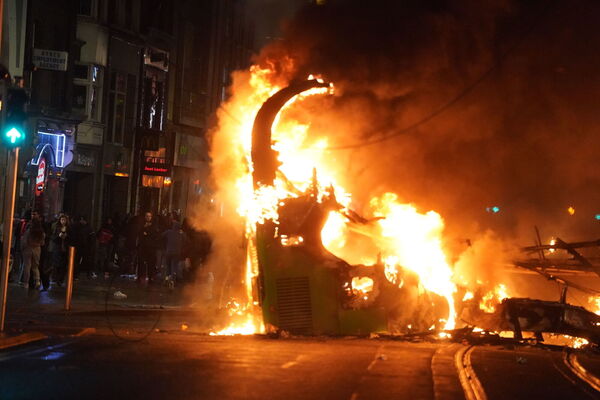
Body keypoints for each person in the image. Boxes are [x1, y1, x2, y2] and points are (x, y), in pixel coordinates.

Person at [20, 211, 45, 289]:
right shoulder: (41, 233)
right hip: (37, 249)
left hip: (28, 248)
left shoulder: (29, 231)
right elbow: (42, 243)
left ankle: (26, 283)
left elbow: (24, 241)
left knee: (27, 266)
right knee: (35, 267)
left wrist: (22, 248)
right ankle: (37, 281)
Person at [162, 221, 188, 287]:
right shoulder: (181, 234)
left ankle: (167, 279)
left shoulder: (168, 232)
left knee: (168, 266)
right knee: (174, 266)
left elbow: (161, 236)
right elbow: (186, 240)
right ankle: (172, 281)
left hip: (168, 252)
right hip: (177, 253)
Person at [137, 211, 159, 284]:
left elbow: (154, 234)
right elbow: (140, 233)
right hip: (143, 246)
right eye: (147, 216)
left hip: (151, 247)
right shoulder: (142, 225)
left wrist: (147, 233)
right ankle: (139, 276)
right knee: (141, 262)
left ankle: (150, 277)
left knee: (151, 263)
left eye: (149, 216)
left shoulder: (154, 225)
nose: (148, 217)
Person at [50, 214, 71, 286]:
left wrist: (67, 236)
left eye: (64, 220)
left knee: (63, 265)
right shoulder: (56, 227)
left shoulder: (69, 228)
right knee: (56, 264)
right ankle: (55, 278)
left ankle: (61, 279)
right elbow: (53, 238)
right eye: (62, 220)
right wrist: (59, 236)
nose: (63, 221)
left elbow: (72, 238)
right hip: (57, 247)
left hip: (65, 248)